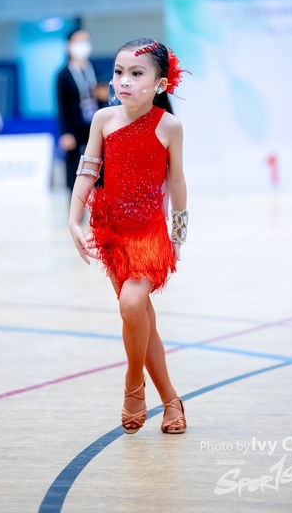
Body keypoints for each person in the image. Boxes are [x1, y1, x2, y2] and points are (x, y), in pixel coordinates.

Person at [69, 38, 189, 435]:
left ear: (160, 83)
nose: (124, 80)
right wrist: (73, 219)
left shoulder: (169, 126)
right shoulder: (103, 119)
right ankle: (171, 400)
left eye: (136, 73)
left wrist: (179, 233)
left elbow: (177, 181)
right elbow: (88, 169)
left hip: (149, 234)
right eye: (119, 72)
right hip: (111, 231)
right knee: (141, 319)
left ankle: (133, 384)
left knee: (132, 303)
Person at [56, 29, 99, 192]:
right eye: (78, 41)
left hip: (95, 123)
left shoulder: (95, 69)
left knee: (99, 162)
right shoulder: (63, 74)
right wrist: (65, 133)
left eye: (85, 41)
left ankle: (100, 204)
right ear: (68, 45)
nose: (82, 45)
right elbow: (61, 106)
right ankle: (75, 204)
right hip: (74, 126)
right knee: (74, 164)